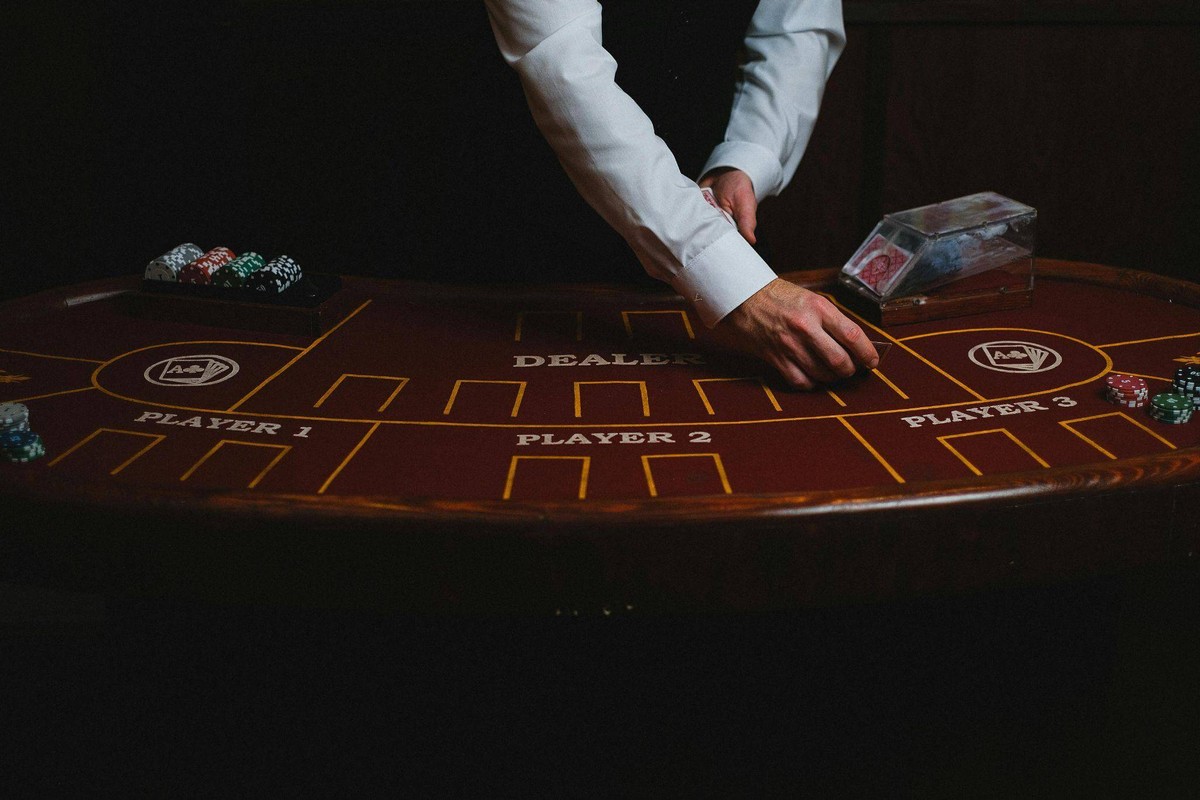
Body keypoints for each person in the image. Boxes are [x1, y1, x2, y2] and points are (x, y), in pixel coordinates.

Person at [484, 0, 878, 389]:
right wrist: (736, 284)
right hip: (516, 243)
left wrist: (744, 158)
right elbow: (561, 61)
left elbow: (795, 28)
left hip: (708, 208)